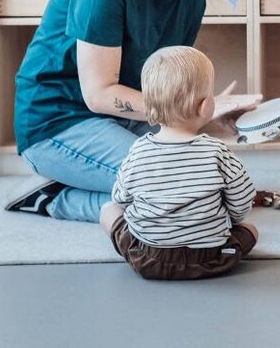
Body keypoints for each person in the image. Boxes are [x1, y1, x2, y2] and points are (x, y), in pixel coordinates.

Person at [6, 0, 258, 222]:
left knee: (205, 180)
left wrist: (204, 119)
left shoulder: (192, 0)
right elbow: (99, 96)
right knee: (177, 193)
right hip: (57, 122)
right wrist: (186, 115)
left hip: (121, 119)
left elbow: (162, 89)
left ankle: (96, 185)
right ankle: (53, 197)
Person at [100, 46, 258, 280]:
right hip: (213, 258)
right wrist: (231, 222)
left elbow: (121, 199)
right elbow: (242, 203)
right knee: (251, 230)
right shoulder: (218, 152)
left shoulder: (138, 151)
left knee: (107, 210)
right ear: (206, 107)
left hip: (147, 259)